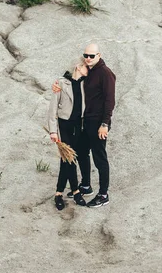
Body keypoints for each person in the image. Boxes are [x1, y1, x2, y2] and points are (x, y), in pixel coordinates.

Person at [53, 43, 116, 208]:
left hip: (98, 123)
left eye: (92, 56)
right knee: (81, 152)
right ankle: (86, 185)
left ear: (99, 55)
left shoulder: (105, 73)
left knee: (99, 158)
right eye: (86, 55)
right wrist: (57, 85)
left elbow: (110, 101)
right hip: (85, 123)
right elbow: (72, 80)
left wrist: (105, 124)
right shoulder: (89, 71)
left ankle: (103, 195)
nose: (88, 58)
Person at [46, 61, 89, 210]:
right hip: (64, 126)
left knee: (68, 159)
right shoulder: (61, 83)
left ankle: (58, 193)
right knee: (68, 158)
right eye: (86, 67)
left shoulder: (85, 83)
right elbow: (52, 109)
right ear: (78, 66)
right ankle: (76, 192)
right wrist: (53, 131)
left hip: (79, 125)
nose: (88, 69)